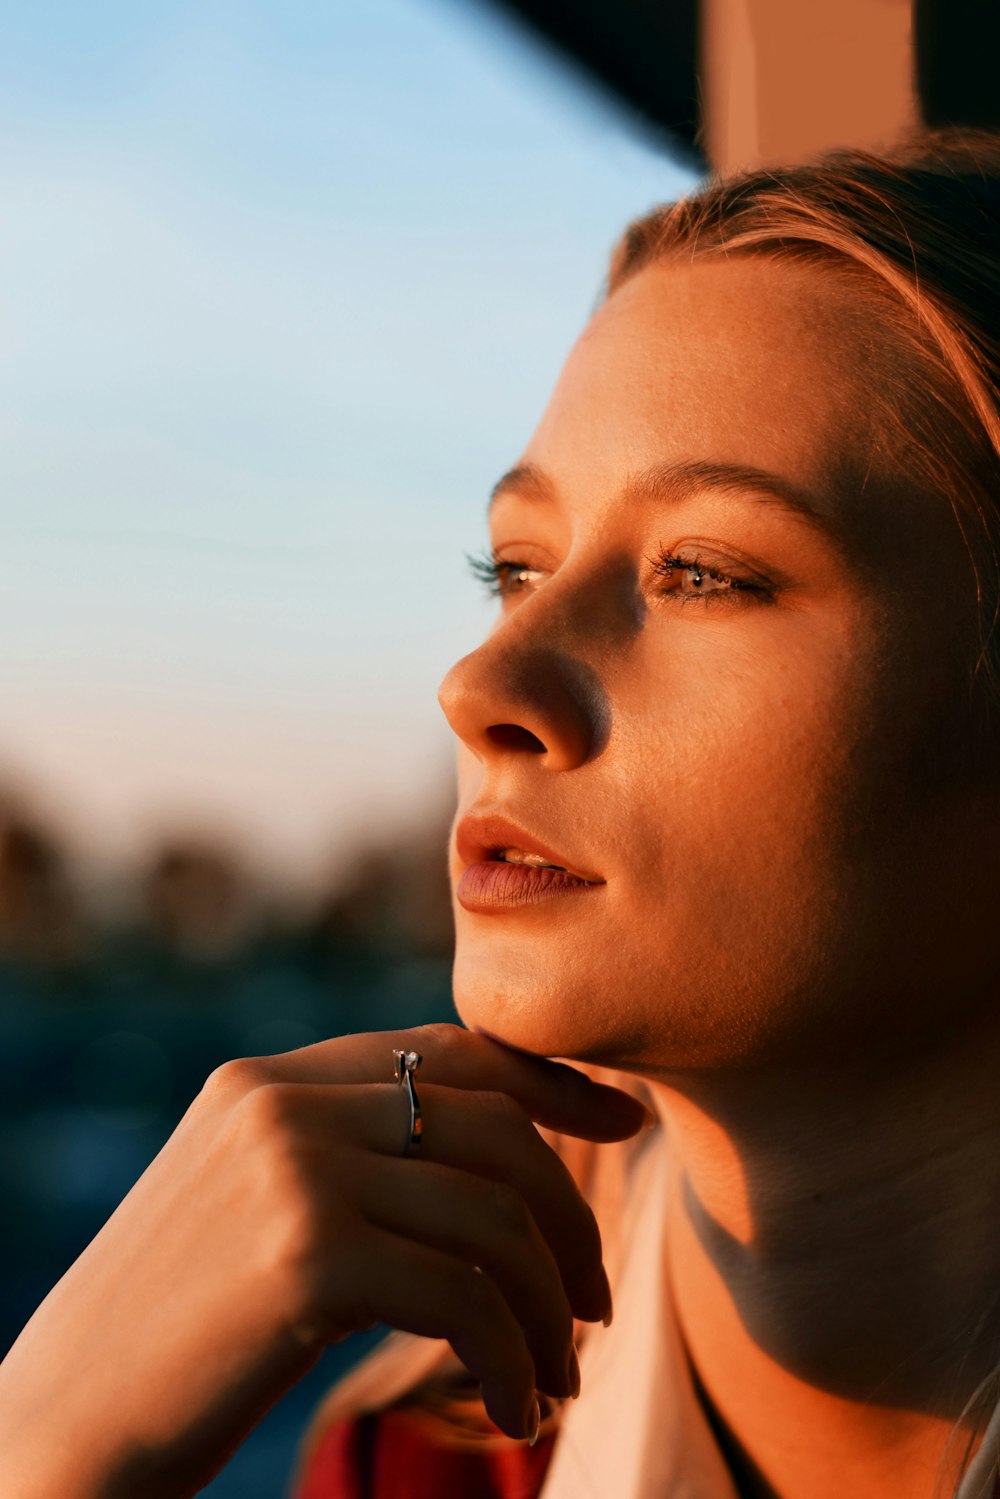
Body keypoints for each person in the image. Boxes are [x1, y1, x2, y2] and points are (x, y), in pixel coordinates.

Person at [3, 124, 1000, 1499]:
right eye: (515, 566)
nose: (484, 682)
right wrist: (46, 1445)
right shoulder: (422, 1462)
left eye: (702, 571)